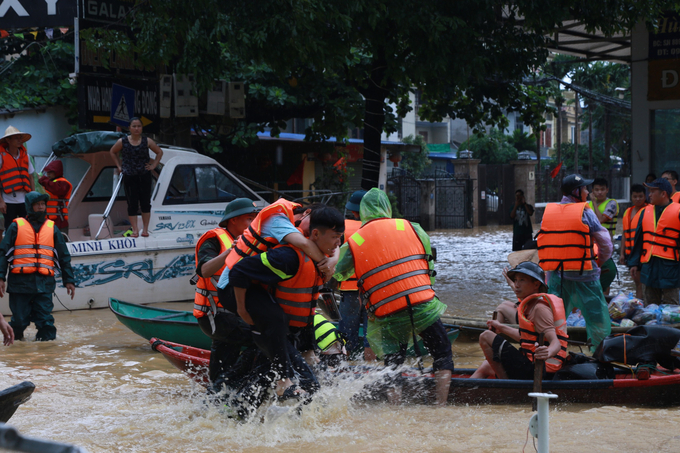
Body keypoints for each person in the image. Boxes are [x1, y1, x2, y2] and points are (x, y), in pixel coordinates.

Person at [334, 188, 454, 406]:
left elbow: (339, 273)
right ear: (387, 208)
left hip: (386, 309)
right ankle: (441, 405)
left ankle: (395, 407)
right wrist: (427, 292)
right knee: (442, 352)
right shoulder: (412, 227)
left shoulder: (355, 240)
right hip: (422, 302)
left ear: (361, 212)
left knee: (392, 362)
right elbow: (428, 262)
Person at [225, 206, 345, 399]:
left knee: (260, 382)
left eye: (340, 237)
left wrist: (308, 348)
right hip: (271, 327)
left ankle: (229, 412)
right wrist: (241, 309)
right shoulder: (288, 257)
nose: (338, 243)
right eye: (335, 238)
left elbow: (307, 306)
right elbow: (238, 272)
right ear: (314, 233)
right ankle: (232, 410)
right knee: (310, 386)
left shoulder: (324, 255)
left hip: (287, 333)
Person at [537, 174, 612, 351]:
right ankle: (600, 355)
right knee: (597, 320)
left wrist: (548, 278)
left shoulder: (549, 212)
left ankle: (555, 354)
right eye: (585, 188)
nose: (587, 192)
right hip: (586, 276)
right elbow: (606, 244)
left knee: (555, 319)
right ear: (576, 192)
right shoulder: (586, 212)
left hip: (558, 277)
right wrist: (599, 263)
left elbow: (547, 246)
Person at [193, 198, 259, 392]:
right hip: (215, 316)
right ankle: (228, 385)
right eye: (249, 219)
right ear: (233, 220)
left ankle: (217, 394)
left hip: (234, 314)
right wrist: (231, 251)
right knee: (263, 340)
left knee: (223, 360)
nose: (253, 224)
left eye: (255, 220)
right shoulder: (214, 239)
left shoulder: (251, 242)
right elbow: (204, 270)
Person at [470, 261, 568, 379]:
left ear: (536, 285)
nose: (516, 284)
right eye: (516, 280)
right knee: (486, 366)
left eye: (522, 280)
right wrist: (501, 327)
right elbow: (525, 338)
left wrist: (548, 352)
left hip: (539, 371)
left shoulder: (539, 309)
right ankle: (464, 395)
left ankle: (506, 385)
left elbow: (555, 343)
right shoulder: (529, 304)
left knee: (486, 336)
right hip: (532, 366)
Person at [0, 192, 76, 341]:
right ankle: (16, 355)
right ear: (30, 206)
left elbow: (63, 256)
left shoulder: (52, 228)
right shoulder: (16, 226)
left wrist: (69, 280)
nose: (41, 207)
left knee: (46, 323)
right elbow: (2, 253)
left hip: (44, 284)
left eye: (43, 204)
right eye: (37, 204)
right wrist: (0, 277)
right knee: (19, 322)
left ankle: (46, 356)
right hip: (20, 285)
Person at [216, 199, 337, 292]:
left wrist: (332, 260)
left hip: (252, 284)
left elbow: (336, 243)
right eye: (314, 224)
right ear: (307, 212)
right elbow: (304, 244)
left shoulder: (301, 229)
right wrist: (327, 264)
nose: (314, 231)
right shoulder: (277, 219)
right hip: (232, 284)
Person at [628, 178, 680, 306]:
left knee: (671, 305)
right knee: (650, 304)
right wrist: (634, 263)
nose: (649, 195)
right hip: (649, 266)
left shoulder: (678, 211)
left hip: (670, 266)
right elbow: (639, 240)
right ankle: (651, 325)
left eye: (652, 191)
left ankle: (672, 327)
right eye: (649, 191)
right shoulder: (645, 212)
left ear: (663, 194)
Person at [109, 117, 163, 238]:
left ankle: (145, 229)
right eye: (134, 126)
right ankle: (135, 230)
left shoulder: (147, 141)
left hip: (144, 174)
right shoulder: (123, 141)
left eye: (139, 126)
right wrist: (119, 166)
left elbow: (159, 152)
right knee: (132, 203)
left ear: (142, 128)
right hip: (129, 174)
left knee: (145, 202)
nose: (136, 128)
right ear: (129, 128)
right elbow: (113, 151)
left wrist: (153, 165)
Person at [338, 189, 374, 360]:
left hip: (349, 289)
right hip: (374, 289)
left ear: (353, 211)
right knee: (372, 334)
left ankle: (345, 367)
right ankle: (371, 369)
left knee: (346, 332)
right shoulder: (378, 228)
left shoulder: (343, 227)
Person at [0, 126, 35, 234]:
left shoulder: (26, 156)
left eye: (20, 138)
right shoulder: (1, 157)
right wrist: (1, 201)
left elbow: (31, 177)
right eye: (16, 138)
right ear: (8, 140)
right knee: (10, 230)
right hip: (8, 200)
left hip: (24, 200)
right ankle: (11, 250)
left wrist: (33, 197)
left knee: (27, 228)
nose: (20, 140)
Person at [587, 177, 618, 294]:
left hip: (605, 246)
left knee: (605, 272)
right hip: (591, 247)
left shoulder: (612, 203)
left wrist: (594, 202)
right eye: (597, 190)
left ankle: (605, 301)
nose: (599, 192)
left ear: (607, 190)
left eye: (602, 189)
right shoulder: (587, 204)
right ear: (592, 191)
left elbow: (600, 220)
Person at [620, 184, 648, 299]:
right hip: (629, 253)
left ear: (645, 196)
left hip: (642, 254)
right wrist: (622, 253)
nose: (638, 199)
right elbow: (624, 234)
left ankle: (641, 305)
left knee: (641, 283)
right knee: (637, 283)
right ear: (631, 197)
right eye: (635, 196)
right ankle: (639, 304)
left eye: (640, 196)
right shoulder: (627, 212)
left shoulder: (648, 211)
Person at [38, 160, 72, 237]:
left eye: (50, 172)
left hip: (60, 222)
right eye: (47, 172)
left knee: (60, 245)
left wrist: (42, 179)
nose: (48, 174)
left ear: (57, 172)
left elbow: (56, 189)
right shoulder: (48, 184)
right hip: (46, 222)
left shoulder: (64, 183)